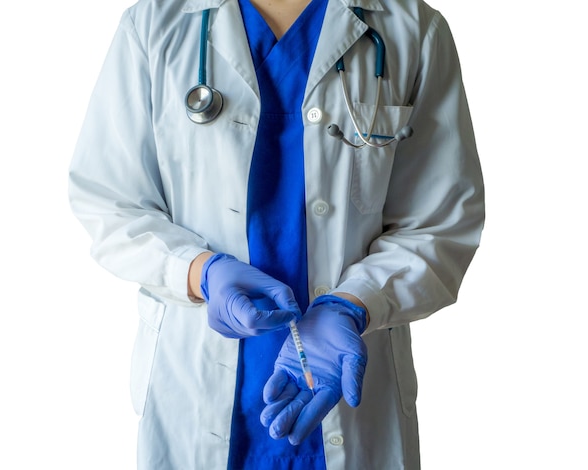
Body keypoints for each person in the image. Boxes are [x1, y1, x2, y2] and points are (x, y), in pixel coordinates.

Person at [68, 0, 485, 467]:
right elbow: (110, 200)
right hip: (193, 386)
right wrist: (198, 272)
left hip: (346, 383)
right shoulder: (154, 24)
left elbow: (439, 224)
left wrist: (353, 304)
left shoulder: (411, 29)